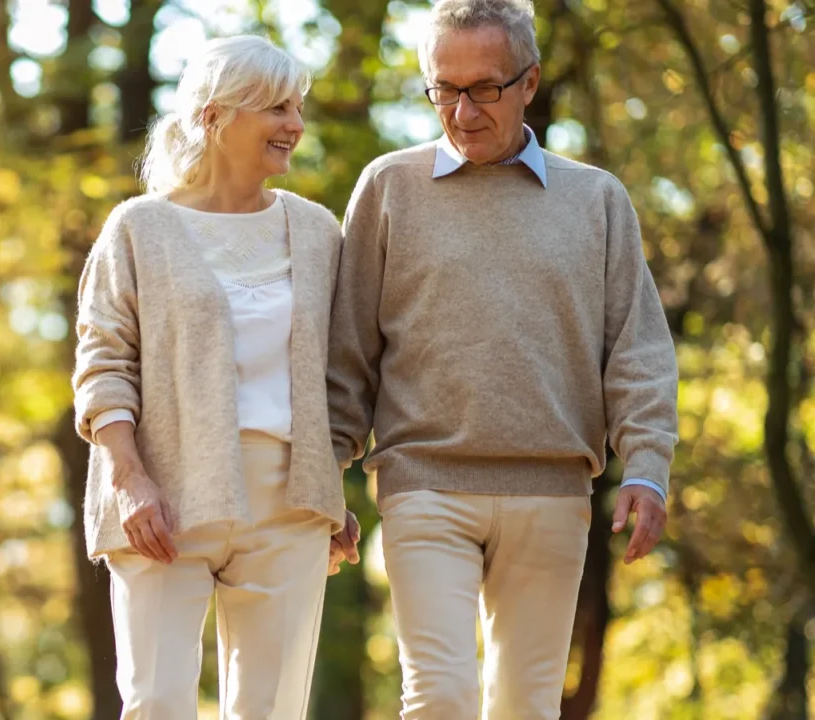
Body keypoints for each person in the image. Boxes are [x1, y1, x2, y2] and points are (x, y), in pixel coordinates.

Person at [326, 1, 679, 718]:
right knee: (440, 696)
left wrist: (647, 465)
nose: (461, 112)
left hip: (551, 488)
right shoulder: (389, 189)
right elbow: (346, 352)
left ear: (529, 82)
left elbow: (637, 349)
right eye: (443, 89)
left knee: (527, 705)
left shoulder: (596, 201)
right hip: (422, 480)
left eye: (484, 87)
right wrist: (323, 476)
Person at [72, 34, 360, 719]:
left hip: (288, 502)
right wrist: (128, 476)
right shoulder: (139, 227)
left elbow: (342, 374)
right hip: (164, 497)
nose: (295, 124)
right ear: (214, 117)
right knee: (156, 703)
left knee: (272, 710)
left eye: (297, 107)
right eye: (276, 108)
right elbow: (102, 359)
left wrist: (330, 480)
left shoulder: (318, 233)